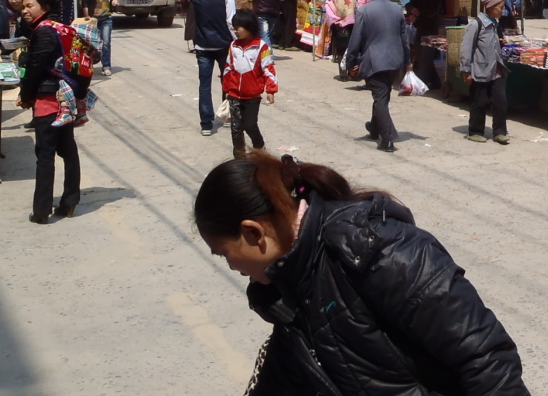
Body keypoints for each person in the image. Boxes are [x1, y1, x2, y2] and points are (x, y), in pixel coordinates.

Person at [194, 152, 529, 395]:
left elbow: (487, 358)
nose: (232, 267)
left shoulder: (380, 251)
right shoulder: (291, 283)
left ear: (253, 233)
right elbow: (281, 379)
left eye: (225, 254)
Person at [18, 0, 85, 224]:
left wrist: (25, 95)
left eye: (29, 6)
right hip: (65, 100)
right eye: (23, 7)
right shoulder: (59, 28)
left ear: (44, 8)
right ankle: (70, 202)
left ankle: (41, 210)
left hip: (48, 99)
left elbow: (35, 67)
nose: (24, 11)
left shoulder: (44, 31)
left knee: (45, 155)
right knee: (68, 151)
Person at [344, 0, 410, 153]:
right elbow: (404, 38)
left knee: (380, 98)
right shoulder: (397, 9)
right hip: (395, 60)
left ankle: (387, 140)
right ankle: (374, 128)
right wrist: (407, 61)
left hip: (375, 61)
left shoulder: (364, 11)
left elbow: (355, 39)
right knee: (383, 95)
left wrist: (350, 62)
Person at [222, 9, 278, 158]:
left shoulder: (261, 46)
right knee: (236, 128)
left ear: (249, 27)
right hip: (234, 94)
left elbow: (268, 69)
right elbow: (228, 68)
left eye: (238, 27)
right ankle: (239, 157)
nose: (236, 31)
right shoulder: (233, 46)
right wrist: (226, 88)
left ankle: (260, 149)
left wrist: (271, 90)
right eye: (234, 28)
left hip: (252, 96)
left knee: (250, 126)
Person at [190, 0, 236, 135]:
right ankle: (226, 116)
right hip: (223, 44)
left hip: (202, 44)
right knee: (227, 81)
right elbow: (231, 21)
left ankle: (206, 124)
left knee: (204, 85)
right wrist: (237, 42)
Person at [460, 0, 511, 145]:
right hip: (479, 70)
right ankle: (475, 132)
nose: (502, 11)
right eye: (500, 7)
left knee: (500, 101)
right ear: (490, 7)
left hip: (496, 69)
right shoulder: (476, 24)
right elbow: (466, 48)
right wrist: (466, 71)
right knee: (479, 102)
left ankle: (500, 132)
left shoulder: (495, 24)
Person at [406, 0, 446, 89]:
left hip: (431, 29)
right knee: (421, 57)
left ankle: (420, 83)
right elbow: (409, 4)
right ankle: (435, 82)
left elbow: (433, 11)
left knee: (426, 57)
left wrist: (417, 17)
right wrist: (412, 10)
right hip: (419, 29)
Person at [79, 0, 118, 77]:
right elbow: (85, 2)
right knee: (91, 44)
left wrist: (114, 2)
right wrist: (87, 17)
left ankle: (106, 66)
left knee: (106, 43)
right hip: (93, 19)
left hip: (106, 18)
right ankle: (88, 65)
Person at [324, 0, 360, 73]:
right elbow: (358, 7)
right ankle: (351, 71)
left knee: (341, 49)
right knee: (352, 48)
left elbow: (328, 10)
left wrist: (337, 20)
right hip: (352, 25)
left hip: (339, 25)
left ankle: (343, 74)